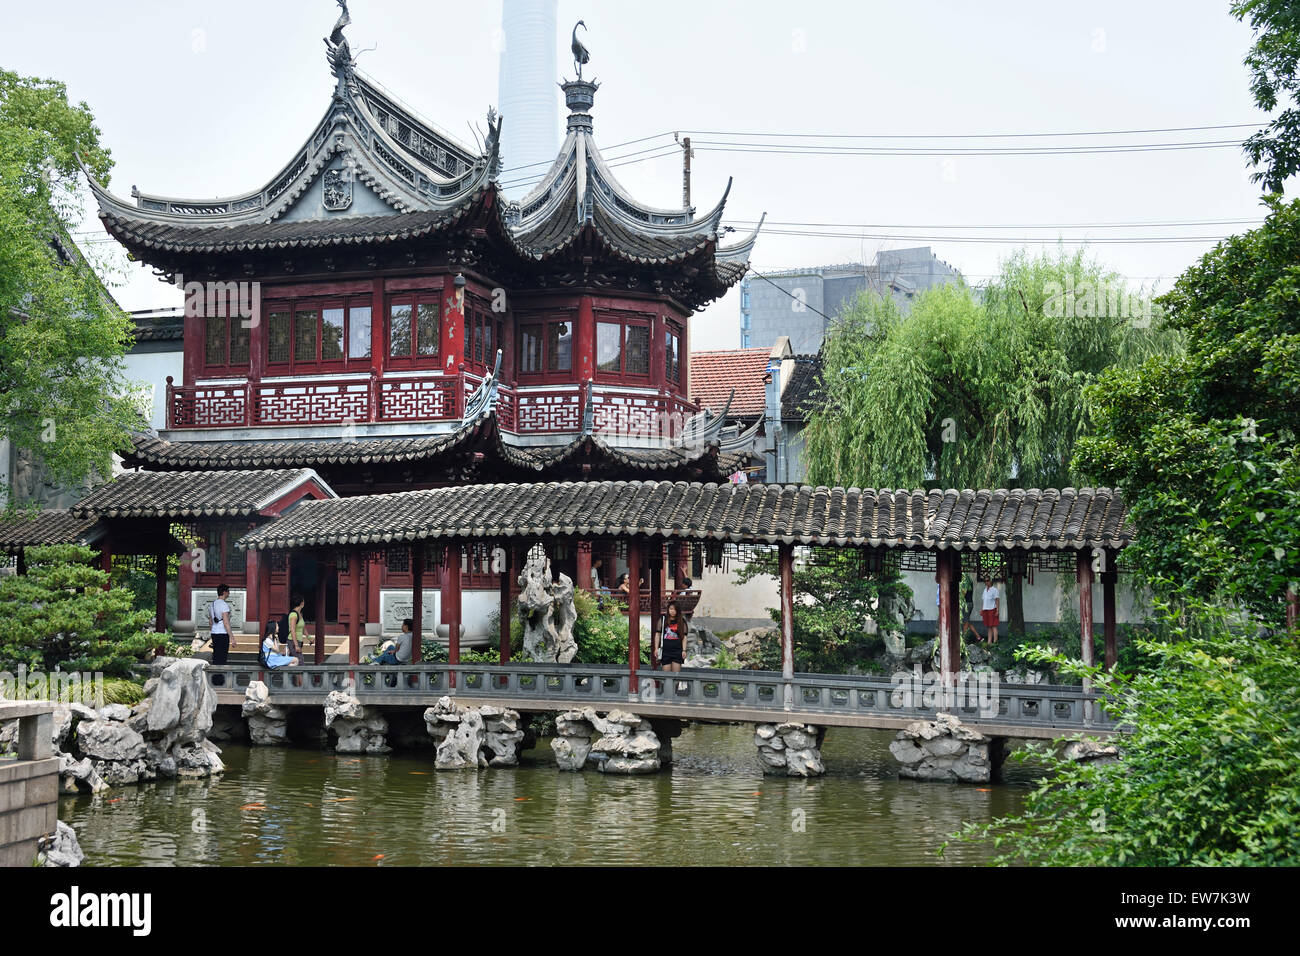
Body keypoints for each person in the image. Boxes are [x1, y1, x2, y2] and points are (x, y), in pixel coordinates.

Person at [656, 599, 688, 673]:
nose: (672, 611)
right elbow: (657, 634)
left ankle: (676, 685)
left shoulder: (681, 621)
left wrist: (684, 650)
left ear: (678, 611)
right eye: (671, 609)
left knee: (676, 677)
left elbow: (684, 637)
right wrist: (656, 648)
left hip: (677, 651)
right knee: (666, 677)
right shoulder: (663, 619)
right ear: (668, 609)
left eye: (675, 609)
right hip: (665, 651)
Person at [210, 584, 233, 665]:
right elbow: (226, 622)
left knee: (216, 656)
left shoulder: (212, 604)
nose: (229, 593)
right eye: (228, 591)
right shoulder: (224, 605)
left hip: (214, 633)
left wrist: (212, 632)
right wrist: (232, 637)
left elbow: (211, 622)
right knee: (222, 657)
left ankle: (215, 676)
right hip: (222, 633)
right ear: (224, 592)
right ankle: (220, 676)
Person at [286, 594, 309, 662]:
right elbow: (292, 630)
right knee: (300, 661)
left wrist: (309, 638)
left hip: (299, 641)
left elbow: (303, 628)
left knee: (293, 662)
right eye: (303, 601)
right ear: (301, 603)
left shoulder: (300, 614)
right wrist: (296, 645)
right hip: (293, 641)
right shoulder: (293, 615)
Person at [981, 577, 1001, 644]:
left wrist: (997, 610)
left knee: (993, 626)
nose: (986, 582)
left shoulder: (994, 590)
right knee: (988, 626)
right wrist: (982, 609)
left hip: (992, 609)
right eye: (985, 581)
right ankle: (989, 642)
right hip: (986, 610)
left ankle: (995, 642)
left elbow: (997, 600)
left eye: (987, 580)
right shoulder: (984, 590)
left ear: (991, 581)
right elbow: (984, 601)